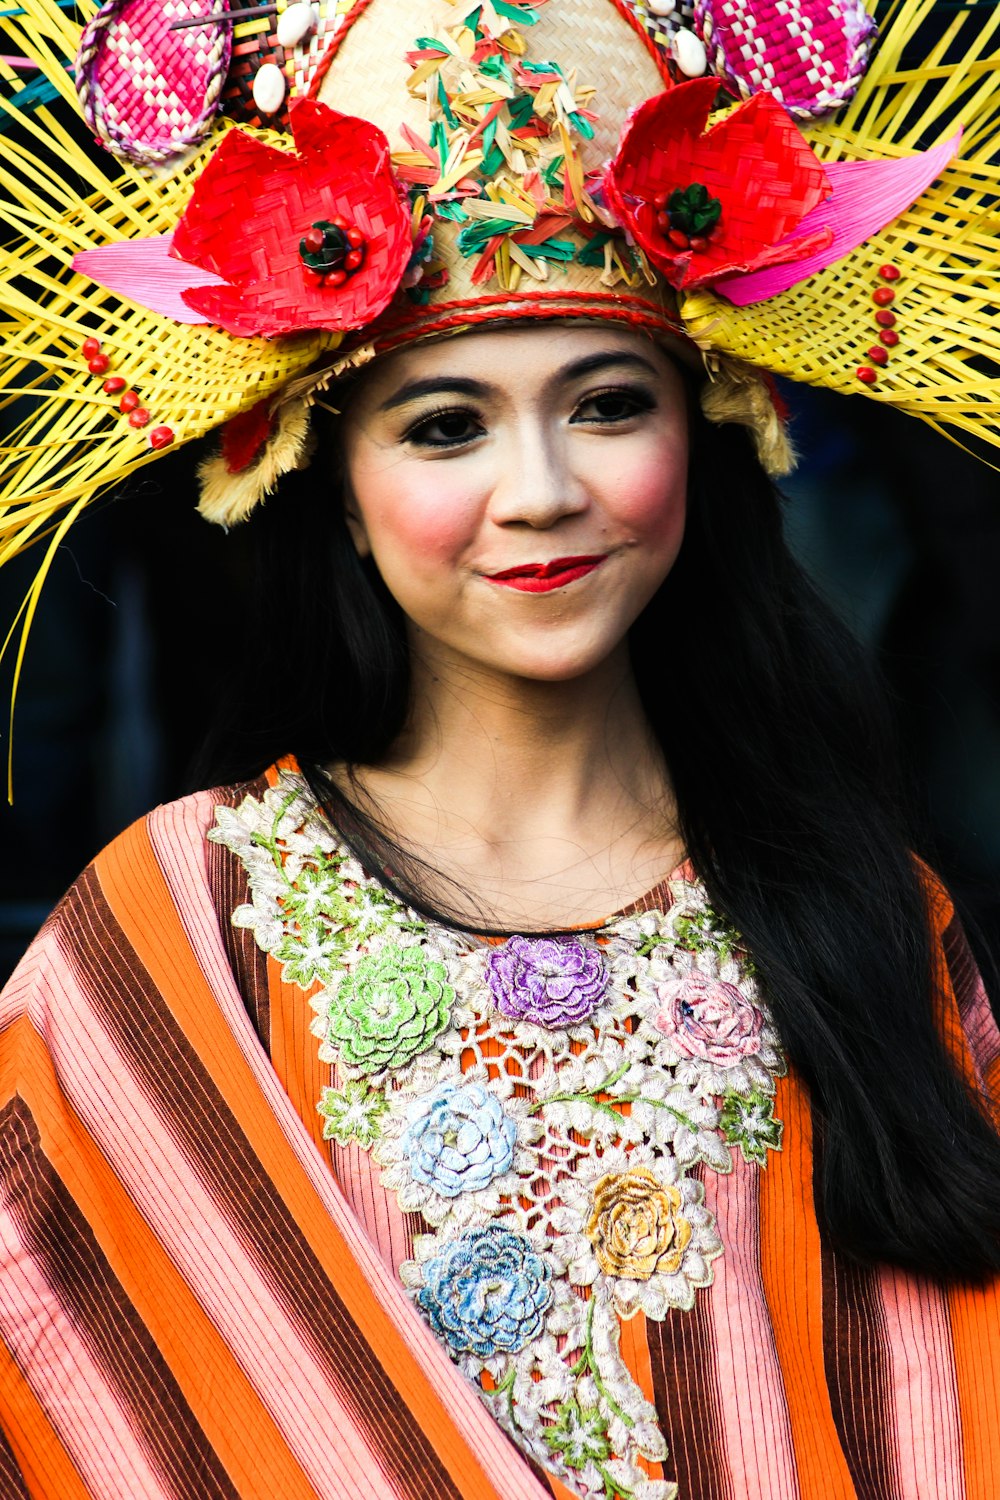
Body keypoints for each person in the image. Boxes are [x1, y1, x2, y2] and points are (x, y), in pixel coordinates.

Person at [1, 1, 1000, 1497]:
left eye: (606, 405)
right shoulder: (174, 925)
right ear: (327, 481)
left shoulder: (869, 913)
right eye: (445, 426)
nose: (538, 490)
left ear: (704, 434)